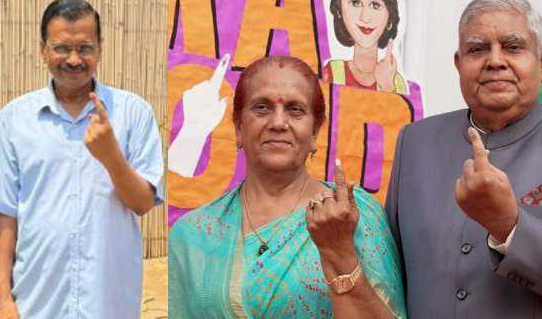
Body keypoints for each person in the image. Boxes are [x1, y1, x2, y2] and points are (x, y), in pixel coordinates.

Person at [385, 0, 542, 317]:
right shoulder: (416, 142)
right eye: (477, 49)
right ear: (459, 64)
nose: (495, 61)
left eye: (513, 47)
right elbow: (390, 273)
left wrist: (509, 225)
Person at [169, 55, 406, 317]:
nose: (278, 123)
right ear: (238, 128)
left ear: (315, 132)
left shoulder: (353, 216)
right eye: (262, 108)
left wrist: (340, 251)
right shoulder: (194, 236)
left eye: (295, 109)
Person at [0, 0, 163, 319]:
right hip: (36, 301)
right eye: (61, 48)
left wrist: (110, 155)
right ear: (43, 50)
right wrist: (4, 300)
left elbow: (143, 204)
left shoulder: (133, 113)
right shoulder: (13, 120)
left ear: (99, 48)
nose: (73, 59)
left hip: (108, 300)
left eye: (84, 48)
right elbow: (5, 214)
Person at [325, 0, 406, 93]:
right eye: (356, 3)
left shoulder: (395, 82)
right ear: (339, 11)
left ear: (390, 18)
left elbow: (401, 110)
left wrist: (387, 87)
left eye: (375, 5)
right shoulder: (332, 73)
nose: (365, 17)